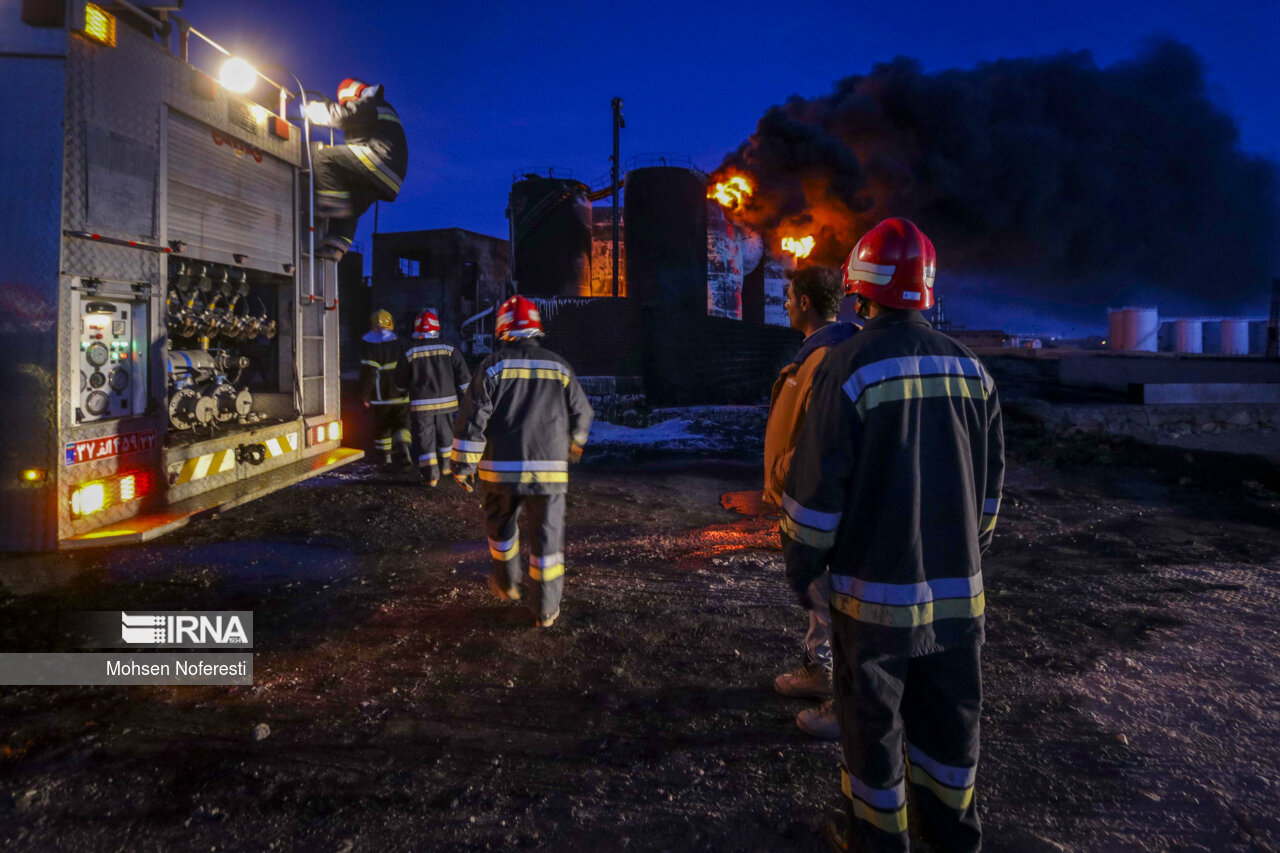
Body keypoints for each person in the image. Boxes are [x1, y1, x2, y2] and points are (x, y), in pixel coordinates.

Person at [780, 218, 1003, 853]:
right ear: (925, 292)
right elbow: (988, 494)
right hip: (959, 596)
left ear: (859, 289)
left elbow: (816, 492)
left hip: (872, 598)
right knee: (951, 728)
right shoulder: (973, 371)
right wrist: (964, 553)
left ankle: (878, 842)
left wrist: (804, 570)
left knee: (871, 729)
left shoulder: (846, 366)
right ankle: (952, 839)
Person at [451, 295, 594, 628]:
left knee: (501, 530)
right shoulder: (559, 367)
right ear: (536, 328)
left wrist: (463, 465)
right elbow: (583, 412)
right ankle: (545, 611)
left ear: (503, 329)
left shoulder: (493, 365)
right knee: (547, 540)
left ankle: (507, 584)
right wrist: (577, 443)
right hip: (550, 475)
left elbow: (473, 416)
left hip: (500, 472)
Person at [763, 266, 858, 740]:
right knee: (824, 599)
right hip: (810, 492)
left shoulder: (829, 356)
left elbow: (826, 437)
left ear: (803, 303)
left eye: (788, 297)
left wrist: (786, 475)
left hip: (821, 497)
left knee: (832, 594)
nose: (783, 304)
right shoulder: (823, 350)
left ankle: (844, 697)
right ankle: (821, 672)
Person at [306, 78, 408, 261]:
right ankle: (336, 246)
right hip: (391, 176)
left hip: (379, 160)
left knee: (324, 157)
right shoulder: (381, 108)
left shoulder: (370, 103)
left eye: (345, 103)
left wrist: (314, 111)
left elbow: (344, 117)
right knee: (350, 202)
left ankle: (329, 208)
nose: (346, 105)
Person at [393, 309, 472, 487]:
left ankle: (431, 477)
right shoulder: (449, 347)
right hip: (448, 403)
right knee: (446, 435)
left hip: (421, 406)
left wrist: (401, 391)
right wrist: (468, 395)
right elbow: (464, 375)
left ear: (417, 330)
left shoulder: (409, 351)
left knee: (424, 439)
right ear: (436, 328)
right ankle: (446, 467)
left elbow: (399, 380)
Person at [358, 309, 411, 465]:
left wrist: (365, 396)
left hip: (381, 397)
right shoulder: (402, 343)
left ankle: (386, 458)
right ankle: (403, 446)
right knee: (402, 424)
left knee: (383, 427)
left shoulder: (370, 347)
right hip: (401, 395)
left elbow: (370, 374)